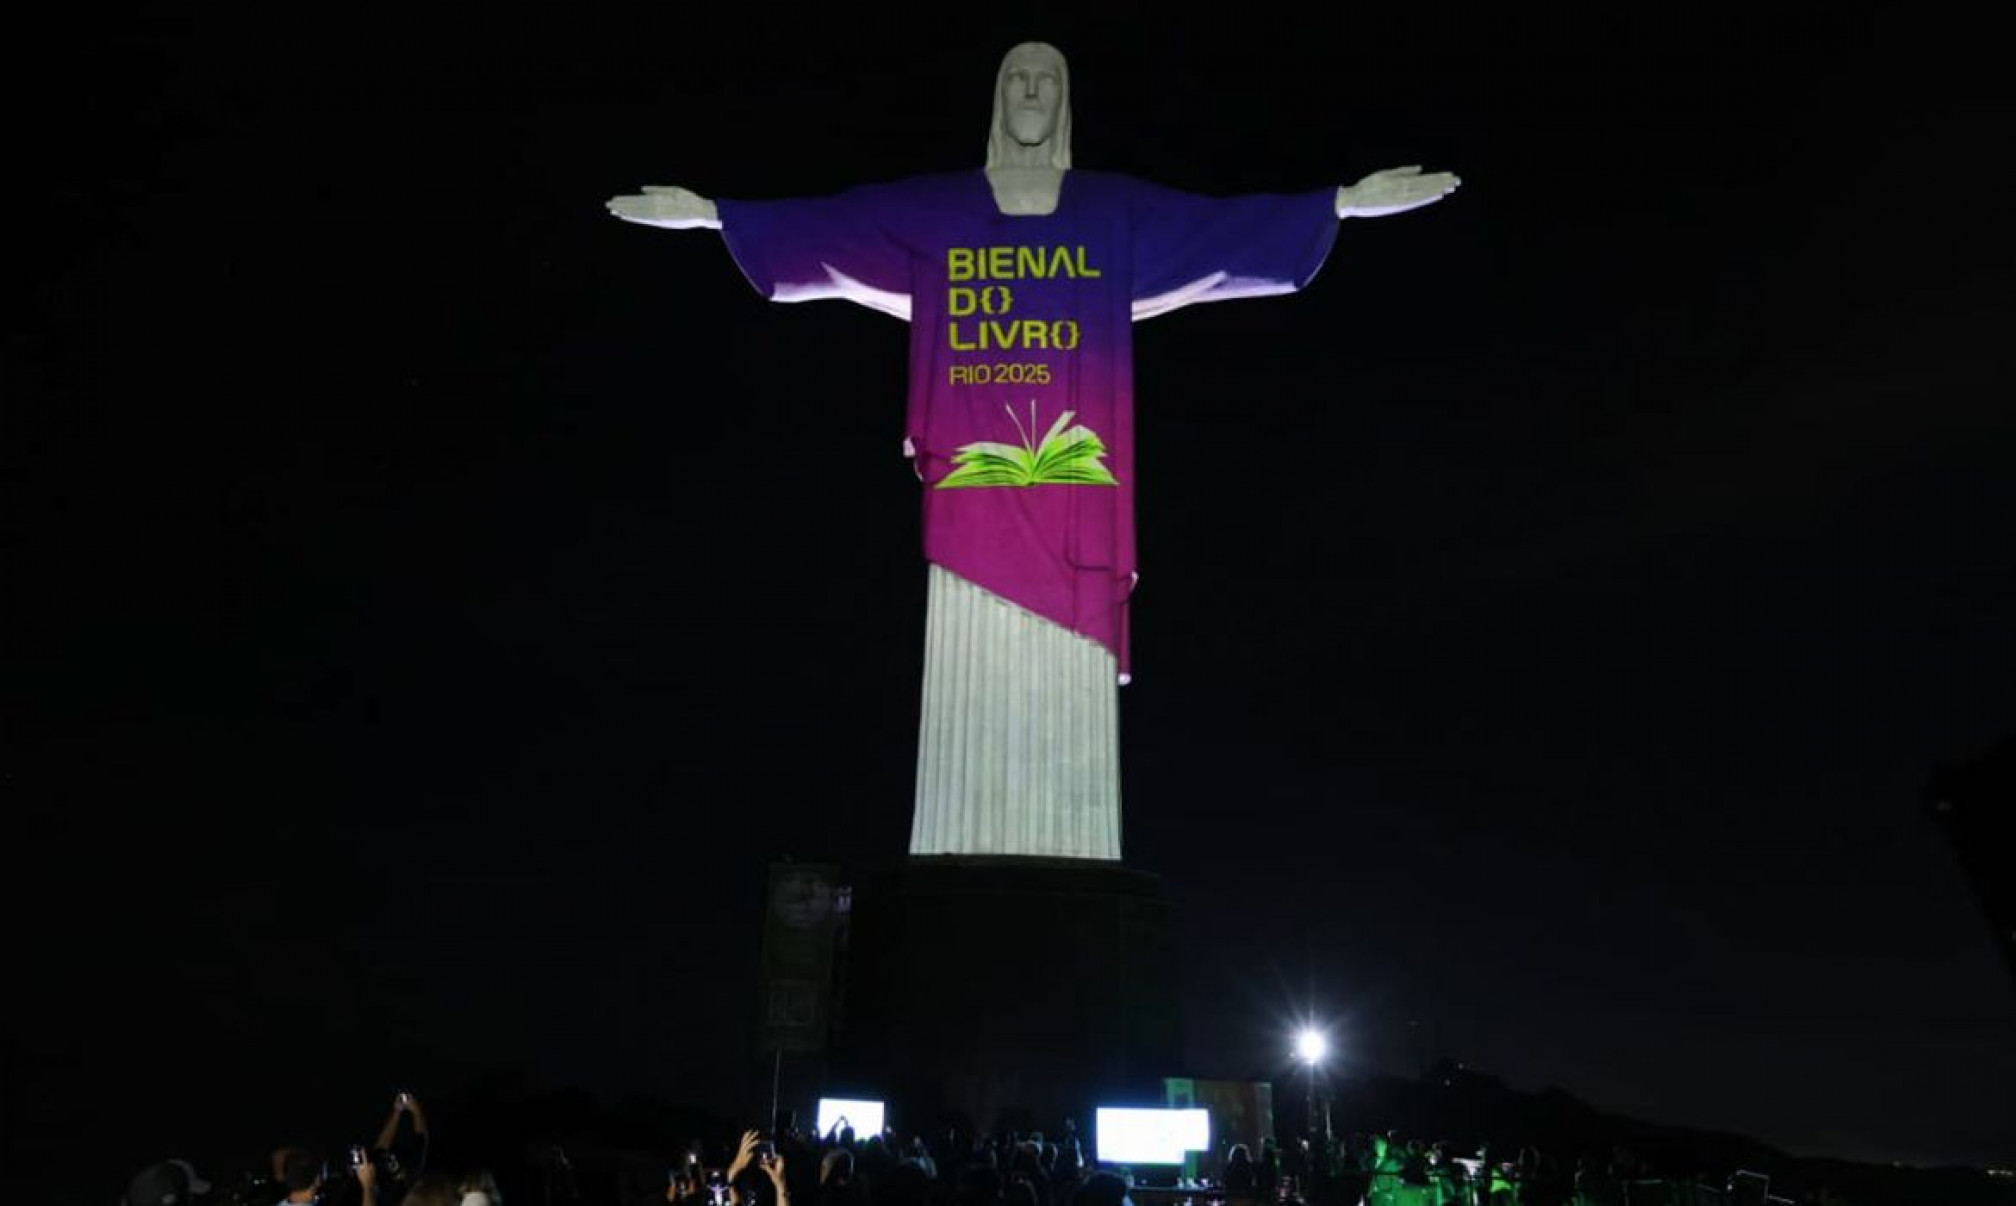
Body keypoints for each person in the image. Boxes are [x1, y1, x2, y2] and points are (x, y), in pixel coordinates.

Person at [607, 41, 1457, 862]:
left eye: (1045, 80)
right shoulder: (933, 211)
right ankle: (958, 849)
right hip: (971, 495)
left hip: (1075, 492)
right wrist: (719, 215)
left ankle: (1066, 854)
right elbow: (833, 226)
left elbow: (1218, 229)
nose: (1028, 93)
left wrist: (1338, 203)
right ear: (995, 96)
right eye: (1015, 77)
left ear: (1064, 101)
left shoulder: (1112, 211)